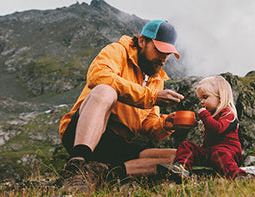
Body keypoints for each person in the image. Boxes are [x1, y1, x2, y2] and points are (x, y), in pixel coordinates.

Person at [56, 19, 195, 193]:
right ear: (142, 41)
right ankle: (77, 166)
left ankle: (109, 173)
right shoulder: (117, 51)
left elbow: (147, 125)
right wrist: (150, 96)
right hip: (81, 132)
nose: (163, 58)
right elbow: (98, 76)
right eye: (159, 50)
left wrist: (167, 124)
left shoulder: (157, 78)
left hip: (118, 143)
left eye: (168, 53)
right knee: (105, 91)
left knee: (179, 156)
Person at [158, 76, 246, 183]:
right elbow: (210, 126)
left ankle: (237, 176)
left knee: (220, 153)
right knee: (187, 145)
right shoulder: (211, 116)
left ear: (220, 97)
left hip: (228, 152)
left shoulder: (228, 113)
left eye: (205, 97)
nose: (202, 102)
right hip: (211, 152)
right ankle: (181, 169)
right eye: (201, 98)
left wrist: (204, 115)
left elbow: (218, 129)